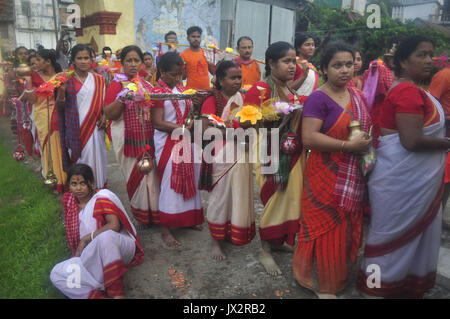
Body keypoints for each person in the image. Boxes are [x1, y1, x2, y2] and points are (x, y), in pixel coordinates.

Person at [357, 35, 448, 298]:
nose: (429, 60)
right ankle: (375, 288)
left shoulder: (414, 89)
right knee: (388, 241)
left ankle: (395, 285)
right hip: (402, 181)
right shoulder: (408, 91)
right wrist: (447, 143)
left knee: (394, 239)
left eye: (431, 54)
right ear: (403, 61)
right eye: (421, 55)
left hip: (403, 180)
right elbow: (410, 141)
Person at [292, 41, 372, 298]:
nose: (345, 70)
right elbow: (309, 138)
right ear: (325, 69)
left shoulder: (357, 96)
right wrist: (348, 146)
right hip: (324, 174)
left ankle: (340, 276)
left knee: (346, 226)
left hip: (352, 173)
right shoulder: (318, 98)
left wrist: (364, 144)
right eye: (337, 65)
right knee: (324, 225)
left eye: (349, 64)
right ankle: (319, 282)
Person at [244, 41, 306, 276]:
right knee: (273, 200)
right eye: (287, 61)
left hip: (292, 152)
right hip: (268, 151)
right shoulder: (260, 89)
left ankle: (279, 242)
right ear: (271, 63)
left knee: (290, 197)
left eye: (294, 61)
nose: (292, 66)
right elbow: (243, 122)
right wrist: (269, 115)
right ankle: (265, 250)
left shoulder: (290, 90)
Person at [50, 164, 144, 299]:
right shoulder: (70, 202)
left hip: (117, 248)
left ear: (91, 183)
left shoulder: (102, 198)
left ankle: (116, 293)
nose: (78, 188)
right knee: (55, 274)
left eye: (82, 183)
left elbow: (114, 226)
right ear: (69, 186)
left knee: (106, 237)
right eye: (74, 184)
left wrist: (87, 238)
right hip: (91, 255)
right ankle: (96, 293)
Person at [200, 60, 255, 260]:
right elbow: (205, 130)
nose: (237, 81)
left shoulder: (243, 98)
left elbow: (249, 123)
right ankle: (215, 240)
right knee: (220, 197)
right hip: (219, 153)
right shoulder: (212, 98)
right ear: (220, 80)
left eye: (239, 77)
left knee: (237, 194)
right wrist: (233, 131)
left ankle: (231, 231)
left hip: (240, 151)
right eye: (232, 78)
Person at [150, 52, 204, 247]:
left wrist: (195, 107)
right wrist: (180, 129)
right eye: (173, 74)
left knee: (189, 178)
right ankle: (166, 229)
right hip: (167, 141)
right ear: (162, 72)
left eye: (180, 74)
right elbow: (157, 122)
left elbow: (189, 115)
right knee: (169, 183)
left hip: (184, 138)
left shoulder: (182, 89)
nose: (178, 78)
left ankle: (188, 219)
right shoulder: (157, 92)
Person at [104, 45, 160, 226]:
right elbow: (110, 114)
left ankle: (156, 213)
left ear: (142, 63)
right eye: (129, 60)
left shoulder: (147, 85)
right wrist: (124, 97)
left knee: (152, 176)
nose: (133, 64)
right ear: (123, 63)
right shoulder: (115, 84)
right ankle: (142, 215)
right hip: (125, 136)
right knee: (134, 176)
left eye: (137, 60)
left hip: (148, 138)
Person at [56, 44, 108, 189]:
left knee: (98, 159)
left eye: (86, 58)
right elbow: (59, 109)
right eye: (79, 58)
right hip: (76, 130)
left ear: (91, 60)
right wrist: (61, 93)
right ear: (73, 60)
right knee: (80, 161)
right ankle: (82, 192)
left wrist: (105, 117)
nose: (84, 61)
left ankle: (98, 189)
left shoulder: (99, 80)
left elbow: (104, 103)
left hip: (96, 129)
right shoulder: (66, 80)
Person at [22, 49, 66, 192]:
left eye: (39, 60)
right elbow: (33, 100)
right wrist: (28, 81)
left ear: (48, 62)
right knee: (49, 147)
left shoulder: (61, 76)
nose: (35, 64)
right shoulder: (34, 77)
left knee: (62, 145)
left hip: (60, 113)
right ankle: (54, 178)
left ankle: (66, 177)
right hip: (43, 115)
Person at [362, 36, 401, 144]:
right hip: (379, 115)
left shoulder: (405, 71)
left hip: (398, 116)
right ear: (386, 52)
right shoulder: (377, 68)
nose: (394, 61)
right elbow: (368, 95)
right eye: (391, 57)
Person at [430, 64, 450, 220]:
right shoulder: (444, 75)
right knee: (443, 177)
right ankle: (433, 218)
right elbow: (432, 105)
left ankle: (440, 217)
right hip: (445, 129)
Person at [291, 33, 319, 97]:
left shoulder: (311, 67)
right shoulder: (293, 65)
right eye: (307, 45)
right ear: (298, 48)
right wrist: (304, 76)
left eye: (313, 45)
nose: (311, 48)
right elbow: (288, 89)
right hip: (295, 104)